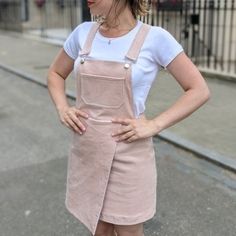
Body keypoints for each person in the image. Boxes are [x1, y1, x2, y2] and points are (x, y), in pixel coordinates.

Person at [47, 1, 210, 236]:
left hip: (129, 155)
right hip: (88, 151)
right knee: (99, 228)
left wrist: (154, 124)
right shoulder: (82, 33)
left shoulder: (155, 38)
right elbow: (55, 73)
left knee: (128, 230)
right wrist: (63, 108)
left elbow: (198, 89)